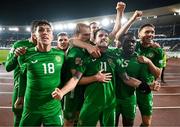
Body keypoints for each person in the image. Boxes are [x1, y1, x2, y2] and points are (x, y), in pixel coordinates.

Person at [16, 20, 81, 126]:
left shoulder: (61, 55)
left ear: (52, 36)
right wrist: (20, 96)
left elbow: (73, 78)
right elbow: (23, 76)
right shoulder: (25, 54)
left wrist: (62, 92)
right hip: (31, 108)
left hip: (53, 108)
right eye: (40, 30)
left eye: (48, 31)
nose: (45, 32)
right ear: (35, 36)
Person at [115, 32, 160, 127]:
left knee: (128, 124)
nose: (131, 43)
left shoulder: (140, 60)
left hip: (129, 98)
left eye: (133, 42)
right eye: (127, 41)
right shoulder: (113, 54)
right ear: (121, 43)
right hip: (111, 98)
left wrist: (150, 85)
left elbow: (143, 80)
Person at [4, 20, 37, 127]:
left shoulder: (46, 47)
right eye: (40, 31)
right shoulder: (19, 45)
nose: (44, 34)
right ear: (33, 33)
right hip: (21, 89)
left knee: (37, 119)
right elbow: (8, 67)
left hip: (40, 89)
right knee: (19, 116)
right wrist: (15, 55)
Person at [136, 24, 164, 126]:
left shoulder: (157, 50)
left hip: (146, 87)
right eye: (147, 32)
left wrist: (148, 62)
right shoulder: (132, 45)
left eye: (152, 32)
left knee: (147, 123)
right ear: (139, 34)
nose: (150, 34)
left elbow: (158, 74)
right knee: (127, 118)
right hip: (129, 86)